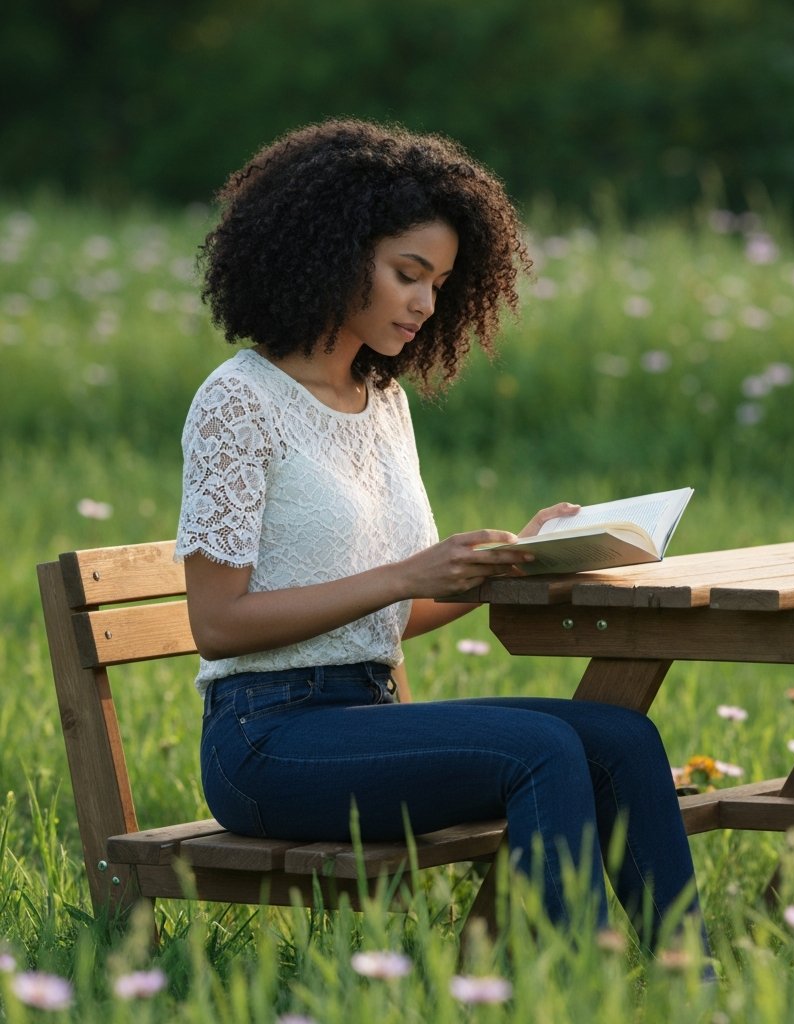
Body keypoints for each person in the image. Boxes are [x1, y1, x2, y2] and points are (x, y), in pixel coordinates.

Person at [175, 117, 704, 952]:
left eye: (440, 283)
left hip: (366, 718)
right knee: (540, 748)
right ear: (332, 253)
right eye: (407, 275)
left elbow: (383, 618)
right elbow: (217, 624)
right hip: (266, 742)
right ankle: (569, 995)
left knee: (622, 740)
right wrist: (405, 575)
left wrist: (506, 563)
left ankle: (690, 987)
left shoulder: (382, 402)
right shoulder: (236, 402)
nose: (426, 304)